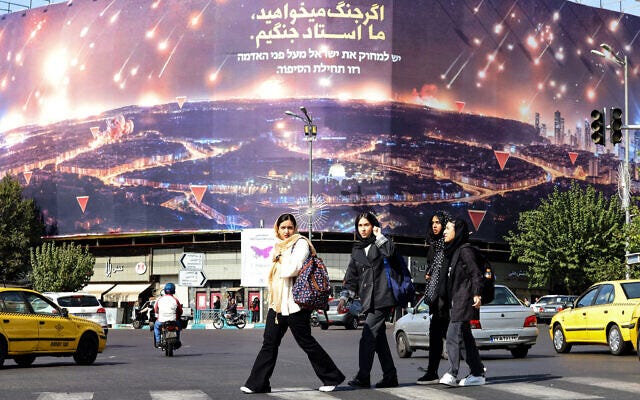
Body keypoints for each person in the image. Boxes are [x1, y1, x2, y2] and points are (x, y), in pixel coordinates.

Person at [241, 213, 345, 394]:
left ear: (295, 228)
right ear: (277, 229)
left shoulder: (301, 243)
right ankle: (258, 384)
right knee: (269, 343)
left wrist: (280, 259)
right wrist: (279, 258)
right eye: (283, 228)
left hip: (296, 305)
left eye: (290, 227)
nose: (286, 231)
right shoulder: (277, 247)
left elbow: (293, 268)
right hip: (278, 305)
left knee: (306, 342)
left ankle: (332, 377)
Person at [339, 212, 399, 389]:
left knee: (367, 336)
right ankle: (390, 376)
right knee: (378, 340)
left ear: (373, 226)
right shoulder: (357, 249)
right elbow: (351, 276)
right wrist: (345, 297)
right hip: (368, 299)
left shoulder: (381, 243)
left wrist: (380, 236)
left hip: (382, 297)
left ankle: (363, 377)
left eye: (366, 225)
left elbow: (390, 253)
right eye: (360, 225)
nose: (363, 229)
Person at [439, 219, 486, 387]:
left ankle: (452, 372)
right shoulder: (455, 251)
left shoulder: (465, 251)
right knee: (465, 339)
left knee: (452, 335)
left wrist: (477, 294)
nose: (444, 231)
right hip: (457, 300)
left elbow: (476, 274)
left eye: (448, 228)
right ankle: (477, 372)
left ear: (457, 232)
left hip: (464, 300)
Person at [417, 211, 451, 385]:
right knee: (436, 336)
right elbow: (432, 267)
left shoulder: (450, 246)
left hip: (449, 300)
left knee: (458, 336)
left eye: (438, 222)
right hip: (437, 300)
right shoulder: (434, 246)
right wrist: (429, 275)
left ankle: (476, 368)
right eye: (433, 222)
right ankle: (432, 372)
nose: (435, 226)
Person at [153, 283, 183, 348]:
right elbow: (180, 311)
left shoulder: (160, 299)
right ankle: (177, 340)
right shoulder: (175, 300)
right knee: (178, 328)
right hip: (173, 320)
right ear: (173, 291)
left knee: (156, 327)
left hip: (161, 320)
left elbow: (155, 310)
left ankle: (158, 341)